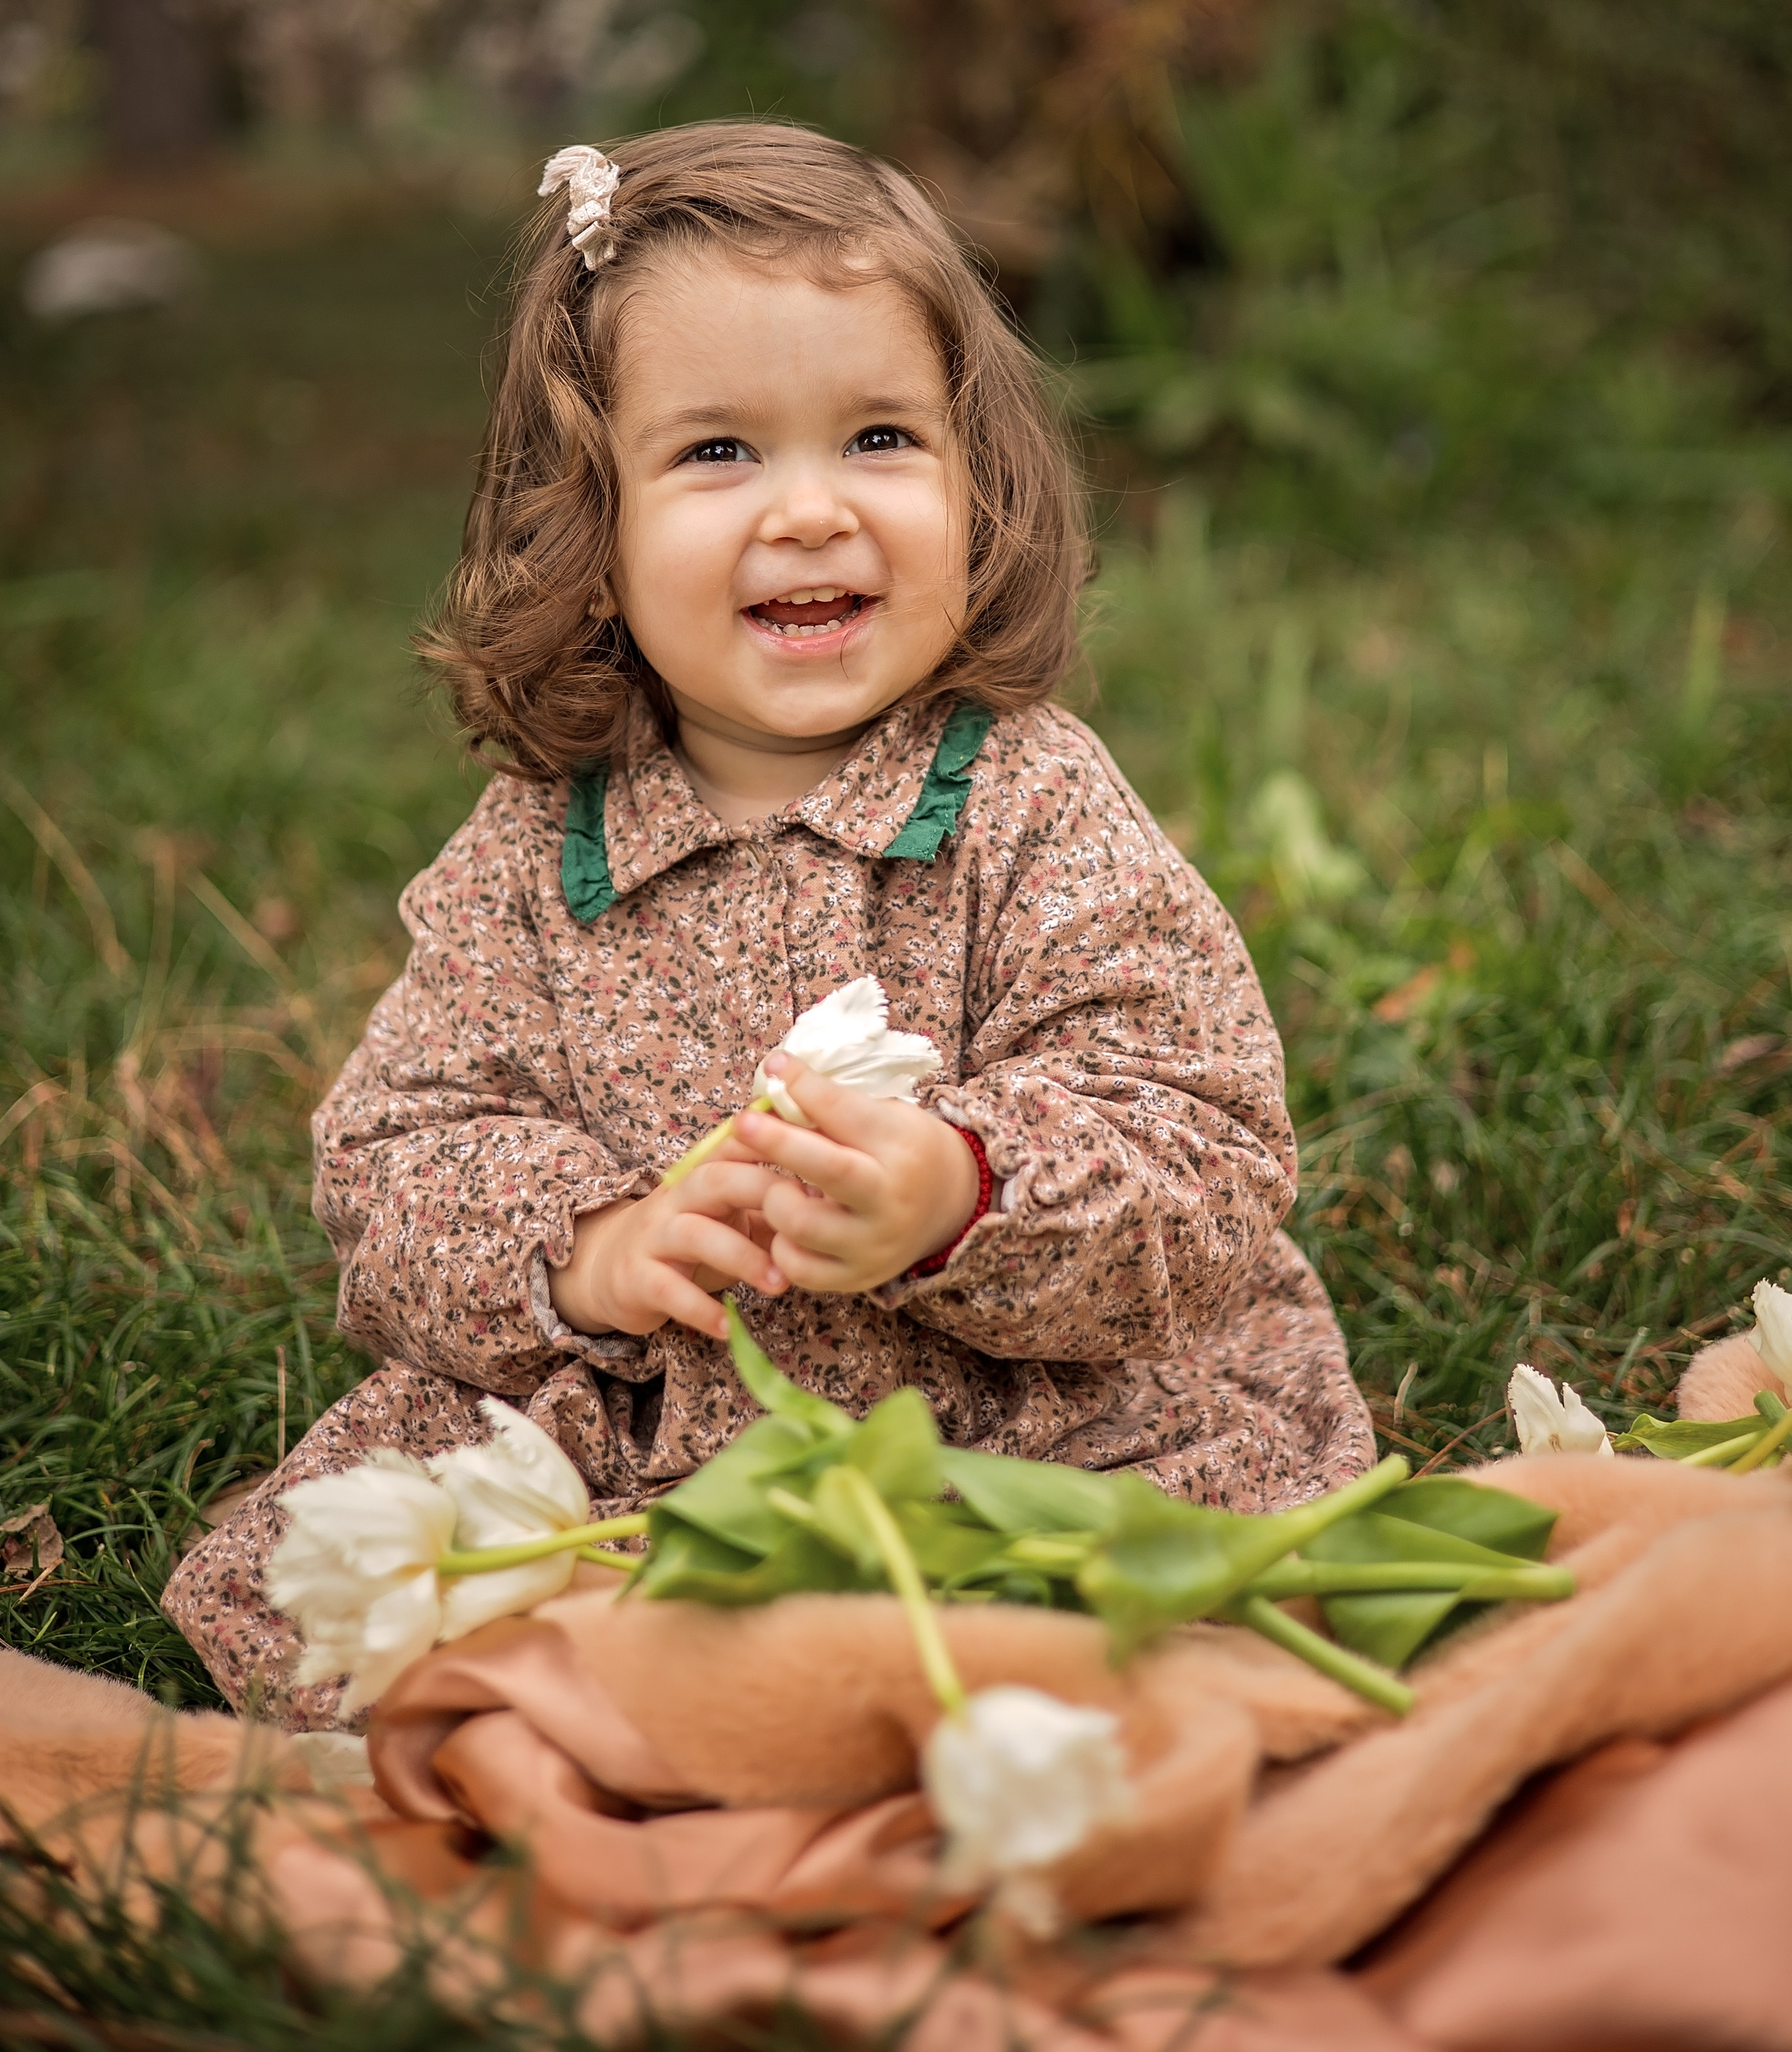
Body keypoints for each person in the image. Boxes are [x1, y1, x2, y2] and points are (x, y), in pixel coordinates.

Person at [164, 119, 1373, 1728]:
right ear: (583, 528)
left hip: (1021, 1427)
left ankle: (871, 1716)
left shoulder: (1031, 809)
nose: (808, 512)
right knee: (397, 1600)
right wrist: (592, 1248)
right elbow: (397, 1152)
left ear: (976, 481)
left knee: (1117, 1632)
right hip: (652, 1436)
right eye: (718, 453)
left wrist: (960, 1189)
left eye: (878, 438)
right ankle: (672, 1721)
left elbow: (1201, 1130)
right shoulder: (542, 854)